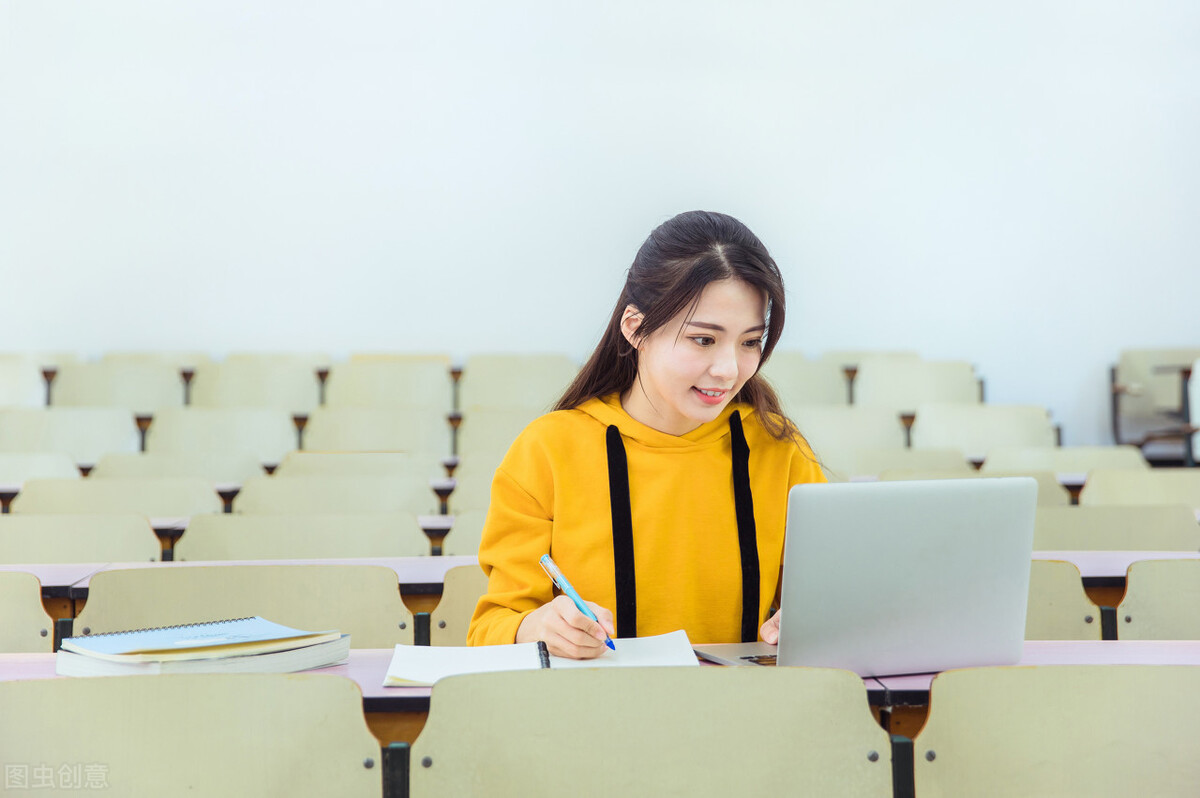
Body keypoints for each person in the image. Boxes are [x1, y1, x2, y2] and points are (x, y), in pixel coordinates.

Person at [466, 210, 825, 658]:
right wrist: (535, 626)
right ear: (636, 328)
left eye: (750, 342)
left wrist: (813, 619)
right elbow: (489, 628)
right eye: (703, 339)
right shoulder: (549, 450)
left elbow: (836, 597)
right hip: (600, 715)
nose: (730, 369)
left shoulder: (780, 451)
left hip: (744, 715)